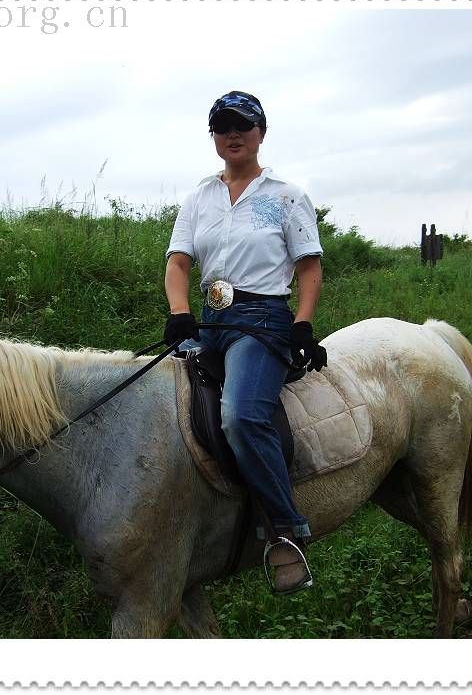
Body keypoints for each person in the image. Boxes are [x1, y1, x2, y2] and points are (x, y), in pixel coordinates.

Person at [163, 90, 327, 594]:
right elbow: (178, 263)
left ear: (261, 132)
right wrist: (180, 314)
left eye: (243, 126)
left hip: (263, 318)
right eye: (223, 127)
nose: (233, 134)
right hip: (211, 319)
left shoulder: (286, 196)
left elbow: (309, 267)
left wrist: (301, 322)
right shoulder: (199, 198)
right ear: (213, 136)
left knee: (241, 414)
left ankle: (285, 529)